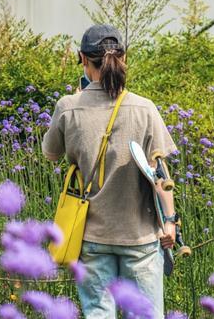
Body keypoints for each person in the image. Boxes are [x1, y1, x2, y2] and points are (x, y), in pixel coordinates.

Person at [42, 24, 178, 318]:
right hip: (140, 236)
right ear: (124, 58)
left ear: (83, 59)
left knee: (98, 314)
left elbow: (50, 154)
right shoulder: (145, 108)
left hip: (91, 235)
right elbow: (160, 175)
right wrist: (171, 222)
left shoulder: (68, 107)